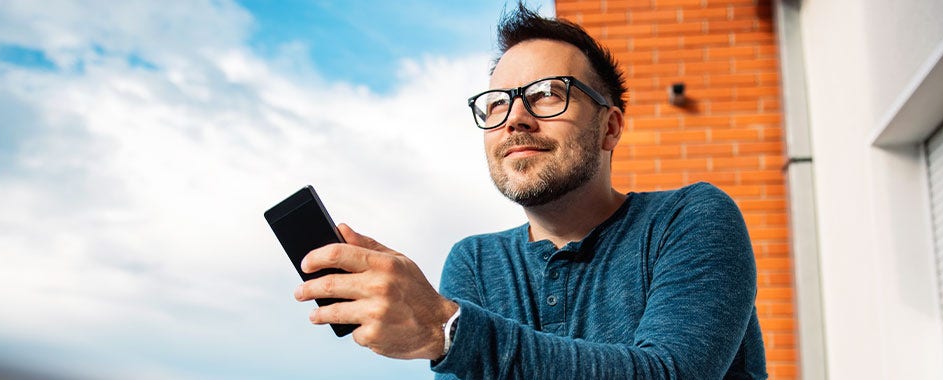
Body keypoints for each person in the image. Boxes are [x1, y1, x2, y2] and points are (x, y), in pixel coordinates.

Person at [294, 5, 767, 379]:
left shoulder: (690, 218)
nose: (515, 118)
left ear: (610, 127)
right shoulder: (476, 262)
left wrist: (448, 330)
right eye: (497, 103)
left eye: (546, 94)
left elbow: (670, 372)